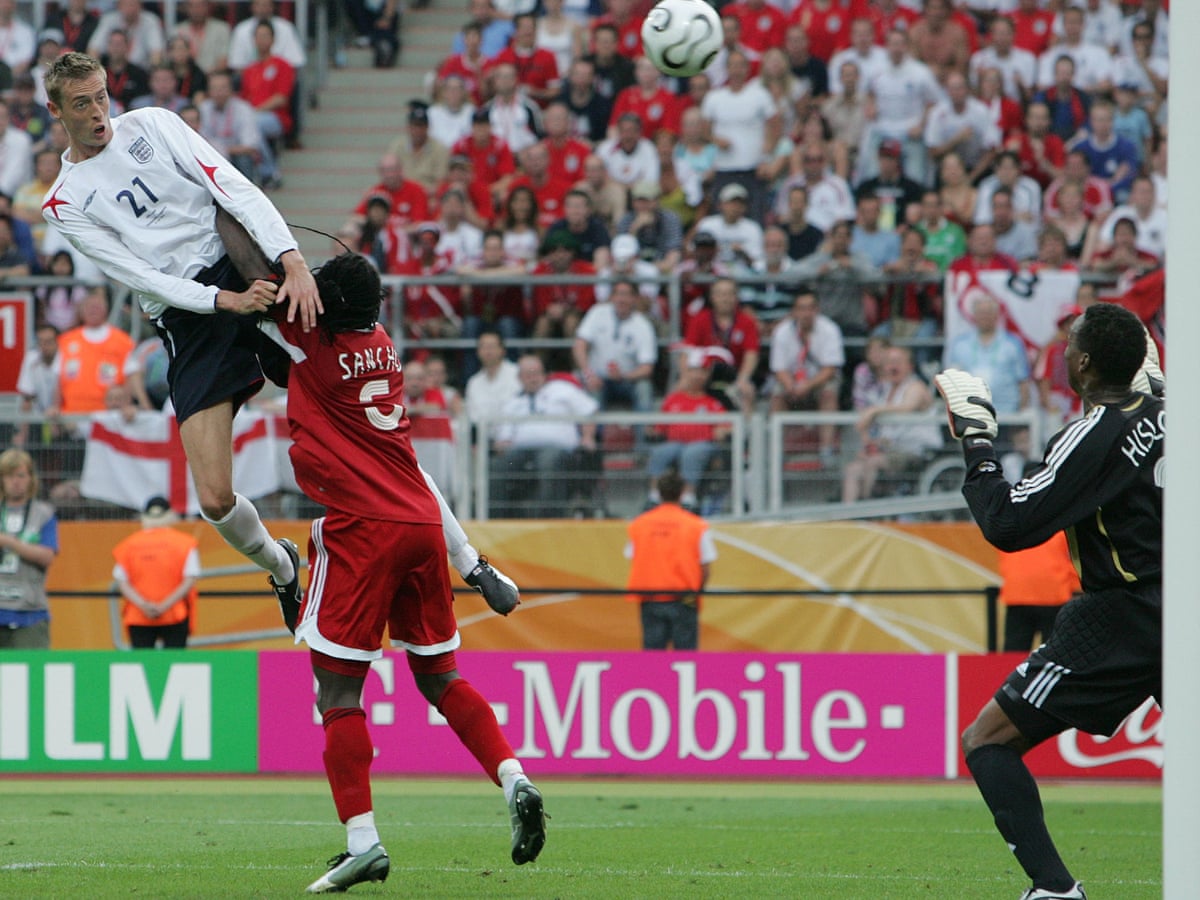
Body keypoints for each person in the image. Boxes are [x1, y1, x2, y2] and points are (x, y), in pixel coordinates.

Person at [260, 252, 545, 892]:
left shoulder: (315, 342)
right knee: (441, 678)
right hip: (420, 523)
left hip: (363, 530)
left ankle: (362, 841)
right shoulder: (382, 347)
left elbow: (265, 302)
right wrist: (473, 564)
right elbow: (410, 465)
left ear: (324, 306)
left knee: (336, 694)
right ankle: (515, 778)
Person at [40, 51, 318, 632]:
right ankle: (282, 566)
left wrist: (290, 259)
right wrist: (222, 303)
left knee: (341, 390)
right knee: (215, 499)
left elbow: (231, 186)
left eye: (100, 96)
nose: (98, 113)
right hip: (190, 314)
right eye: (82, 103)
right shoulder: (64, 202)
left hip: (243, 264)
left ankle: (462, 554)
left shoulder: (153, 123)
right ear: (55, 110)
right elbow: (140, 276)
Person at [935, 302, 1162, 900]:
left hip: (1128, 614)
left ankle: (1056, 891)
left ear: (1083, 362)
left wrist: (977, 436)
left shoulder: (1090, 434)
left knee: (988, 739)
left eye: (1070, 344)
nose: (1063, 351)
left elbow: (1009, 524)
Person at [625, 471, 716, 651]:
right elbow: (705, 566)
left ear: (658, 493)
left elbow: (632, 555)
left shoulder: (640, 524)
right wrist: (697, 591)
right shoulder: (696, 525)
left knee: (653, 657)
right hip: (684, 598)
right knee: (686, 658)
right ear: (682, 493)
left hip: (650, 597)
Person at [113, 495, 200, 649]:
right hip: (174, 613)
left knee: (143, 664)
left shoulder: (129, 544)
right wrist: (164, 605)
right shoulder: (185, 543)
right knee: (175, 663)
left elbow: (121, 580)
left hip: (138, 614)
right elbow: (190, 579)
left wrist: (143, 605)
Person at [0, 448, 57, 649]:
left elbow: (47, 556)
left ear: (31, 479)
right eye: (9, 476)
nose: (15, 481)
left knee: (34, 678)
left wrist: (9, 542)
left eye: (21, 475)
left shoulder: (43, 513)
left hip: (30, 612)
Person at [997, 524, 1080, 654]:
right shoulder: (1061, 524)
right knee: (1054, 654)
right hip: (1054, 594)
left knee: (1012, 657)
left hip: (1018, 593)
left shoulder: (1011, 526)